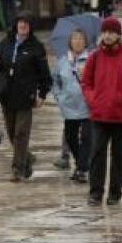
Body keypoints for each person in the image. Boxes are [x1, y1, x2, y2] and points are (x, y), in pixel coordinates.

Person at [81, 17, 122, 206]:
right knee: (97, 154)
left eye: (112, 32)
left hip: (121, 116)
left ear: (118, 35)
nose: (107, 36)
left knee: (119, 156)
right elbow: (86, 82)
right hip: (99, 115)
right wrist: (93, 99)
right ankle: (95, 192)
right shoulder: (94, 57)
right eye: (105, 32)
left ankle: (115, 193)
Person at [0, 11, 53, 182]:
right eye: (20, 22)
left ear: (30, 27)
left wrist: (43, 93)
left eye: (26, 23)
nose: (22, 26)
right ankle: (27, 158)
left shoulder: (36, 47)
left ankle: (17, 169)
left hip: (26, 97)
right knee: (11, 133)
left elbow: (44, 74)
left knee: (21, 134)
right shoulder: (6, 43)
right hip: (6, 95)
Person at [53, 29, 91, 184]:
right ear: (70, 42)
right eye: (75, 38)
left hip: (88, 106)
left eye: (81, 38)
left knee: (87, 138)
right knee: (71, 137)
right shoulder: (63, 61)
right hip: (68, 107)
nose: (78, 41)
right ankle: (80, 164)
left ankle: (82, 168)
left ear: (85, 42)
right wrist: (59, 97)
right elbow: (55, 81)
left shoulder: (91, 60)